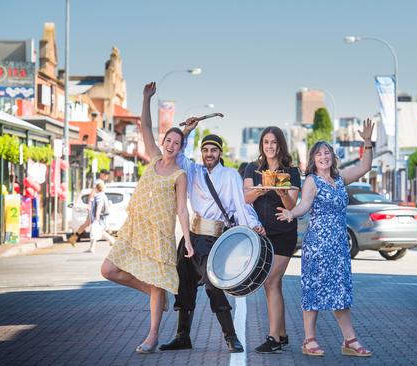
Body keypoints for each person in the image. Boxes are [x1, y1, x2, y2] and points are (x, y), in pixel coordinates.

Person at [100, 82, 194, 353]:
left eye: (177, 143)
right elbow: (145, 126)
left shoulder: (180, 174)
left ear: (180, 148)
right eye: (169, 141)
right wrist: (146, 98)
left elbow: (182, 209)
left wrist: (187, 240)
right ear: (163, 142)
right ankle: (156, 294)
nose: (171, 145)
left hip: (160, 233)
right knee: (108, 270)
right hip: (135, 226)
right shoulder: (153, 159)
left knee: (157, 283)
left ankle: (152, 335)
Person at [159, 119, 265, 354]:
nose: (209, 154)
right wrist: (188, 131)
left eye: (213, 150)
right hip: (191, 237)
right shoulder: (193, 171)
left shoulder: (230, 176)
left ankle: (231, 337)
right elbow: (178, 155)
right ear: (202, 152)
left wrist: (254, 225)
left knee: (214, 287)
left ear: (220, 153)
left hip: (214, 241)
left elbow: (240, 206)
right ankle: (182, 336)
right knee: (183, 286)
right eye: (205, 150)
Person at [276, 119, 375, 358]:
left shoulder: (340, 178)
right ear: (313, 160)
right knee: (315, 290)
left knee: (341, 291)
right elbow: (304, 205)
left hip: (339, 246)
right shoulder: (312, 181)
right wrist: (291, 212)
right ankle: (309, 340)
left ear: (332, 157)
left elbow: (364, 167)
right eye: (319, 154)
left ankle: (349, 340)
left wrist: (367, 142)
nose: (323, 156)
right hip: (318, 246)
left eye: (327, 152)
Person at [242, 126, 301, 353]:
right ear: (261, 145)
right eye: (266, 142)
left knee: (270, 282)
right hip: (261, 234)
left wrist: (281, 191)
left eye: (274, 142)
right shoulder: (253, 169)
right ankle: (283, 335)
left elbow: (291, 206)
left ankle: (274, 338)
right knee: (273, 285)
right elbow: (246, 198)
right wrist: (262, 187)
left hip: (283, 233)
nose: (269, 146)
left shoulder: (291, 171)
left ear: (280, 145)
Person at [69, 169, 110, 246]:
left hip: (95, 206)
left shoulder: (100, 182)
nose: (106, 176)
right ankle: (111, 240)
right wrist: (90, 204)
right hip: (95, 206)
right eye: (105, 175)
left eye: (107, 175)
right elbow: (92, 192)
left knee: (87, 224)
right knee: (92, 224)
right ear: (101, 174)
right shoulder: (99, 182)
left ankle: (73, 238)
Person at [87, 180, 115, 253]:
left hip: (100, 218)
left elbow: (99, 206)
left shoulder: (99, 196)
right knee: (99, 232)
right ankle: (113, 242)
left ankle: (92, 248)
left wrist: (97, 217)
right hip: (103, 218)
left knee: (94, 232)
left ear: (96, 188)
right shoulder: (103, 195)